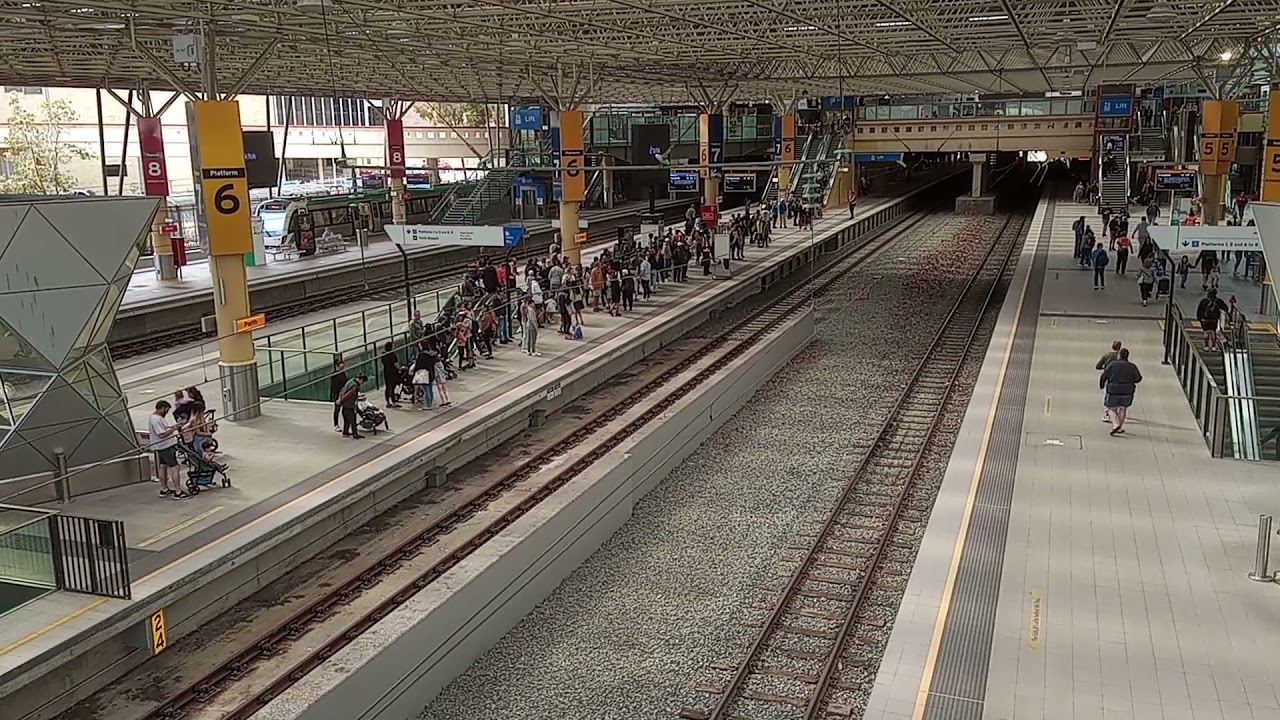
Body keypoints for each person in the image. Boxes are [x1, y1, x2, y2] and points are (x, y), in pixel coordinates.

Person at [148, 400, 189, 498]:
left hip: (161, 446)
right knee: (175, 467)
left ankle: (164, 489)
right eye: (166, 410)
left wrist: (175, 426)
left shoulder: (156, 418)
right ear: (162, 408)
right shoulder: (156, 420)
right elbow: (162, 434)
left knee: (163, 466)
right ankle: (178, 491)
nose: (166, 412)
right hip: (165, 446)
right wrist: (174, 429)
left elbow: (165, 428)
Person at [1100, 348, 1142, 436]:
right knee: (1123, 408)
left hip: (1113, 389)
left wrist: (1102, 384)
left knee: (1111, 408)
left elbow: (1105, 375)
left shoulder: (1112, 365)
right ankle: (1120, 427)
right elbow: (1138, 378)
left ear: (1119, 355)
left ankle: (1115, 424)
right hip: (1127, 391)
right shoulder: (1132, 366)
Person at [1095, 340, 1123, 423]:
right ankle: (1118, 412)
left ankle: (1106, 413)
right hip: (1120, 378)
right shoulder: (1121, 357)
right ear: (1120, 347)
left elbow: (1098, 366)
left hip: (1109, 378)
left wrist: (1105, 368)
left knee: (1107, 394)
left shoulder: (1107, 355)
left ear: (1112, 346)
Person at [334, 372, 365, 438]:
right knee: (352, 420)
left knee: (346, 420)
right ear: (361, 380)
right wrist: (340, 400)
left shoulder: (350, 381)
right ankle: (355, 434)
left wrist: (340, 399)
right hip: (349, 404)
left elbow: (342, 390)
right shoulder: (354, 386)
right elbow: (348, 395)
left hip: (345, 404)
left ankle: (345, 432)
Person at [380, 341, 402, 408]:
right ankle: (394, 402)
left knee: (388, 387)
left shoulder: (384, 355)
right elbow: (396, 364)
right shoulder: (392, 355)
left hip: (386, 372)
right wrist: (400, 369)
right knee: (393, 387)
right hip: (393, 373)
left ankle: (388, 402)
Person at [328, 359, 348, 432]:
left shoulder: (342, 373)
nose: (343, 369)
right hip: (337, 394)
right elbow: (336, 386)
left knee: (345, 410)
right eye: (341, 367)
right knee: (337, 410)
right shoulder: (334, 375)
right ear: (337, 366)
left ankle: (346, 424)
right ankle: (336, 424)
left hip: (343, 393)